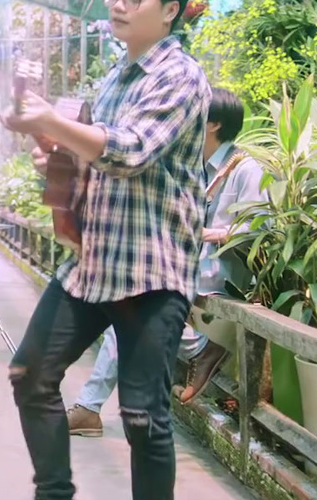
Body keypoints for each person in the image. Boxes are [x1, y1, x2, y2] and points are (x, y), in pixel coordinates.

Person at [0, 0, 210, 500]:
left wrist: (50, 119)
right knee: (31, 374)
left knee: (142, 415)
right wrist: (50, 144)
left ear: (170, 10)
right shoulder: (114, 78)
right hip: (93, 261)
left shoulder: (180, 78)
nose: (117, 4)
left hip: (152, 267)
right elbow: (88, 156)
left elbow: (132, 151)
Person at [66, 87, 264, 437]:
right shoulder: (195, 166)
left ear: (213, 124)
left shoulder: (246, 169)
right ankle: (202, 348)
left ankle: (90, 407)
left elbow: (259, 228)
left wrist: (208, 233)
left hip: (219, 278)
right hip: (184, 273)